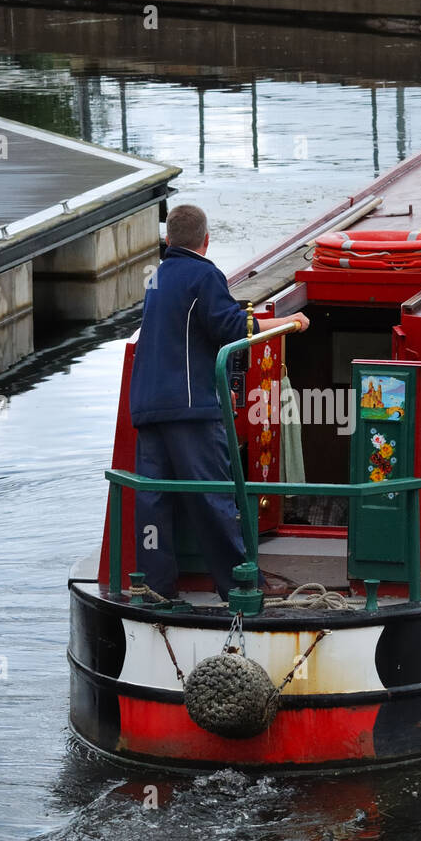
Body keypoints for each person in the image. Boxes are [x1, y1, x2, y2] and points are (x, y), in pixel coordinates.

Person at [129, 204, 309, 600]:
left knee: (154, 500)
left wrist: (219, 380)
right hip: (190, 408)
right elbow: (232, 326)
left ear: (168, 241)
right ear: (206, 241)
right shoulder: (204, 273)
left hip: (147, 405)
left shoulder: (157, 276)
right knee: (213, 494)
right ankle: (240, 586)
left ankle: (156, 589)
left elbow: (182, 336)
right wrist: (289, 322)